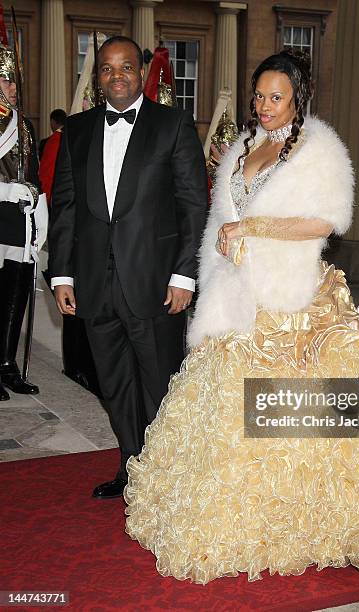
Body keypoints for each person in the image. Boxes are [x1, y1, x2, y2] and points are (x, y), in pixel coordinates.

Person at [124, 51, 359, 591]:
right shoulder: (241, 148)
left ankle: (331, 519)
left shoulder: (320, 149)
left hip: (295, 304)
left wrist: (254, 228)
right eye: (259, 96)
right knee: (233, 421)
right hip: (235, 299)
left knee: (319, 422)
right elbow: (221, 221)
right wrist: (221, 254)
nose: (265, 106)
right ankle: (255, 520)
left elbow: (329, 219)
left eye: (276, 97)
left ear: (298, 98)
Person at [48, 35, 208, 499]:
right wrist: (62, 274)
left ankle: (166, 475)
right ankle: (132, 468)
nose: (116, 75)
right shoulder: (75, 132)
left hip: (155, 284)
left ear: (141, 73)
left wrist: (184, 275)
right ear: (97, 78)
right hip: (95, 284)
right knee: (115, 385)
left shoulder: (173, 125)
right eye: (105, 69)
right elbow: (65, 208)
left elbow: (192, 207)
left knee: (159, 383)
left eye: (125, 67)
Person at [0, 41, 47, 401]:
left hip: (20, 223)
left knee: (16, 295)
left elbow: (32, 172)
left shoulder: (26, 124)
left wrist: (36, 201)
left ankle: (7, 363)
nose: (12, 88)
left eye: (14, 82)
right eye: (5, 81)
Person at [39, 108, 66, 204]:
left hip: (55, 194)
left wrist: (45, 198)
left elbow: (46, 171)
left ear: (52, 122)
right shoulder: (74, 137)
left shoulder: (53, 141)